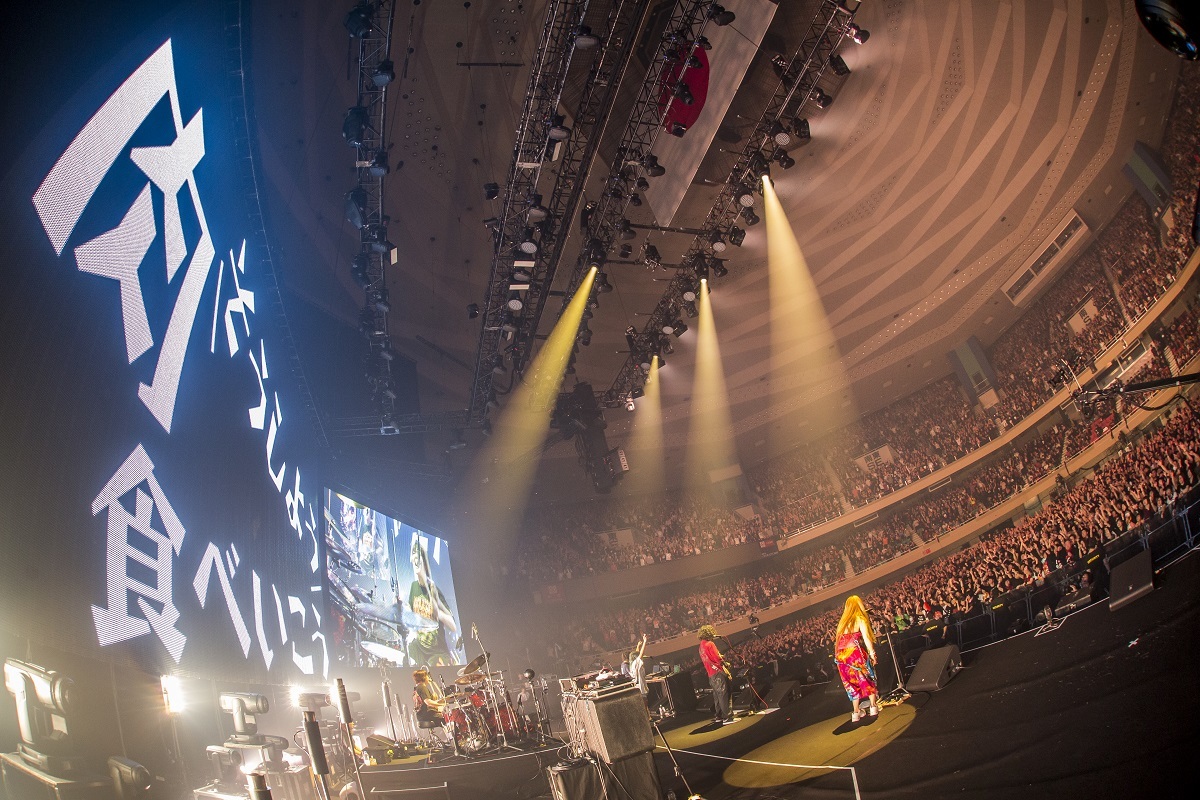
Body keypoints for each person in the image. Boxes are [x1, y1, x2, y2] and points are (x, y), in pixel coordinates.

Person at [407, 537, 460, 666]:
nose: (415, 562)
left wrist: (437, 612)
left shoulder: (434, 589)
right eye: (413, 559)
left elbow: (453, 626)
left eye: (418, 559)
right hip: (420, 649)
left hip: (437, 652)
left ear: (424, 562)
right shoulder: (413, 587)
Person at [834, 595, 880, 722]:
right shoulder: (859, 618)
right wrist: (872, 654)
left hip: (842, 658)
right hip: (855, 654)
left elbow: (837, 644)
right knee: (867, 679)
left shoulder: (842, 623)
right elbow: (866, 638)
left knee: (851, 684)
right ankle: (873, 706)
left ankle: (855, 713)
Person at [698, 625, 733, 725]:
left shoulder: (701, 646)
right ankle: (727, 717)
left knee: (717, 696)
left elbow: (709, 659)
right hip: (718, 673)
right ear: (709, 633)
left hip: (711, 674)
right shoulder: (710, 644)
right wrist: (725, 663)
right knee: (724, 695)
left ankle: (719, 716)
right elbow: (717, 658)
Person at [412, 666, 447, 739]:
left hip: (422, 716)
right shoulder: (422, 687)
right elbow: (428, 702)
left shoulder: (417, 688)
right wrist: (442, 704)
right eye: (427, 676)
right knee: (447, 717)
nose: (428, 678)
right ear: (424, 678)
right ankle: (454, 740)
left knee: (444, 716)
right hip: (427, 716)